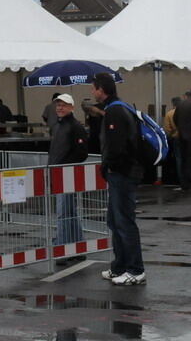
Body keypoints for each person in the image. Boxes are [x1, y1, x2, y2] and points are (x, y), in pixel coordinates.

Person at [92, 72, 145, 286]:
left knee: (123, 222)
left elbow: (116, 147)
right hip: (124, 172)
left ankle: (135, 269)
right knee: (115, 221)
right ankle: (120, 266)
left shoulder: (114, 112)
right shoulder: (120, 108)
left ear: (101, 90)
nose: (92, 92)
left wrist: (108, 166)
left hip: (122, 173)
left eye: (93, 88)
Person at [47, 93, 89, 265]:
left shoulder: (75, 127)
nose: (60, 108)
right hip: (58, 173)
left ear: (71, 107)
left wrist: (64, 166)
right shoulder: (57, 126)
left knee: (64, 213)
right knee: (69, 212)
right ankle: (79, 248)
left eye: (63, 105)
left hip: (66, 174)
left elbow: (82, 152)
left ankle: (62, 249)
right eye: (58, 105)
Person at [162, 97, 182, 186]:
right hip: (186, 138)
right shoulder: (185, 113)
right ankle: (190, 178)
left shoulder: (169, 114)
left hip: (175, 138)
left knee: (178, 158)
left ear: (173, 104)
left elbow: (167, 129)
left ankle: (179, 178)